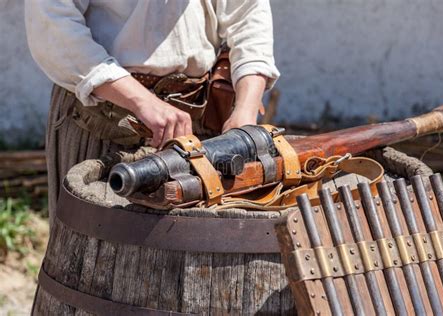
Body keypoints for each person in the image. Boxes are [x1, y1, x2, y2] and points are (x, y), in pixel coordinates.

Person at [25, 0, 280, 224]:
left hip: (199, 124)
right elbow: (53, 26)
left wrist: (244, 110)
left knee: (193, 256)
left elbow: (249, 15)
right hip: (101, 118)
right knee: (91, 250)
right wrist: (142, 101)